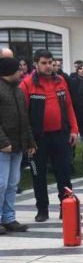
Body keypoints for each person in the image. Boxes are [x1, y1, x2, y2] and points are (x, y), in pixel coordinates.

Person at [20, 50, 79, 222]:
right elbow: (23, 114)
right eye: (44, 63)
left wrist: (74, 128)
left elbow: (68, 105)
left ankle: (66, 207)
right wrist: (28, 140)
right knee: (38, 175)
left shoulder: (60, 81)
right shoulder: (27, 84)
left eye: (50, 63)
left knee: (64, 173)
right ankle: (42, 209)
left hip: (60, 135)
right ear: (36, 64)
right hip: (37, 139)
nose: (48, 66)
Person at [0, 58, 35, 233]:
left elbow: (24, 118)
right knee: (1, 184)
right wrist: (3, 142)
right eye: (18, 70)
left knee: (13, 183)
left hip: (18, 145)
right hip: (3, 147)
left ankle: (9, 218)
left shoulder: (19, 90)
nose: (21, 72)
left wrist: (30, 142)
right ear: (8, 71)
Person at [68, 63, 83, 164]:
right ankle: (71, 159)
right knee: (73, 136)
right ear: (77, 70)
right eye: (80, 69)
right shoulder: (73, 82)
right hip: (75, 112)